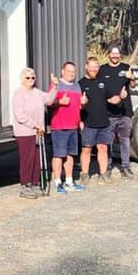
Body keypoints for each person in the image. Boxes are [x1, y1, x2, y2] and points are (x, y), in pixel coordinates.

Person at [11, 67, 58, 199]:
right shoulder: (18, 94)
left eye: (33, 77)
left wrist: (54, 86)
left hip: (38, 132)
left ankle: (35, 183)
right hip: (25, 132)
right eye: (28, 78)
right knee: (27, 159)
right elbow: (20, 116)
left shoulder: (36, 92)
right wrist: (35, 125)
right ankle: (25, 185)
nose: (31, 80)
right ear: (22, 79)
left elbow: (49, 100)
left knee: (37, 158)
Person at [49, 61, 86, 195]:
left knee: (70, 155)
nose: (71, 74)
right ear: (62, 71)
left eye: (73, 72)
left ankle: (69, 181)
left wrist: (80, 118)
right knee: (59, 155)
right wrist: (59, 102)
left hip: (73, 126)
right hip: (59, 126)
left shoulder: (77, 86)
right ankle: (58, 181)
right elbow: (49, 102)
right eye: (68, 71)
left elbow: (78, 107)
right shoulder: (56, 85)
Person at [99, 43, 135, 179]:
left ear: (120, 55)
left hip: (125, 112)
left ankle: (126, 168)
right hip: (108, 113)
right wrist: (108, 100)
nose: (115, 56)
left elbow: (133, 84)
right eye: (113, 53)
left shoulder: (126, 68)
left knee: (125, 141)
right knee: (108, 141)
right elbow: (99, 89)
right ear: (108, 54)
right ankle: (107, 167)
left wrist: (131, 78)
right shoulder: (102, 70)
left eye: (117, 53)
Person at [79, 56, 113, 184]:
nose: (94, 69)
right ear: (86, 67)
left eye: (96, 67)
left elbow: (110, 98)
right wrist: (79, 120)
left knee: (103, 148)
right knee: (86, 149)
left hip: (104, 122)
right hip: (88, 123)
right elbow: (77, 106)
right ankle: (84, 174)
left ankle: (103, 174)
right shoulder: (80, 83)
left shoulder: (103, 82)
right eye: (91, 66)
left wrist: (119, 97)